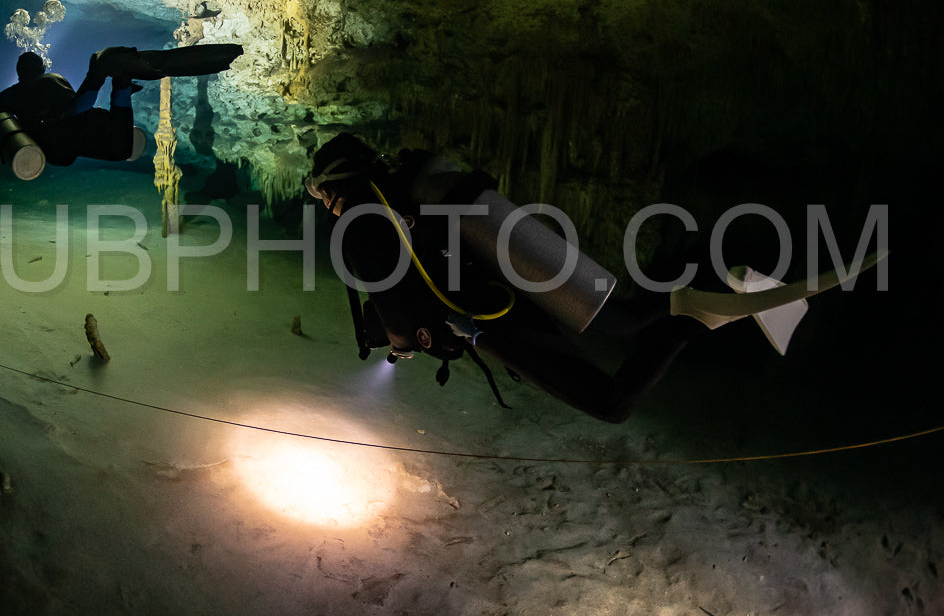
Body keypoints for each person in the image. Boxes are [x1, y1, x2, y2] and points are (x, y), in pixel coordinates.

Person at [304, 133, 883, 422]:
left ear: (335, 184)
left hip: (489, 315)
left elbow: (400, 301)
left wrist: (404, 346)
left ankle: (693, 310)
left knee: (609, 401)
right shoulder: (405, 191)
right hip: (506, 280)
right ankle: (704, 277)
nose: (326, 205)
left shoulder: (359, 219)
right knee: (623, 317)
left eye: (322, 193)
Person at [0, 43, 243, 179]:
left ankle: (112, 79)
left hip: (56, 141)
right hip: (76, 123)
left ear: (18, 74)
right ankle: (116, 81)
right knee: (120, 147)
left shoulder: (9, 94)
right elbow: (76, 107)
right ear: (40, 68)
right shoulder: (52, 78)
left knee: (119, 148)